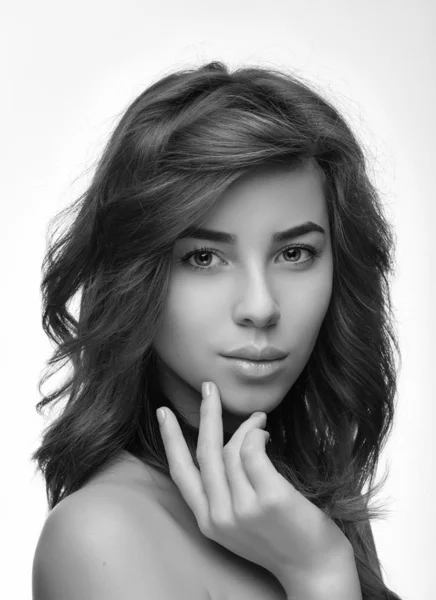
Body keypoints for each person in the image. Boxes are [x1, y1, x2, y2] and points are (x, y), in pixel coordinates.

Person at [31, 61, 403, 599]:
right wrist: (318, 573)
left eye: (295, 253)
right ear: (137, 274)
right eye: (204, 257)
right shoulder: (103, 537)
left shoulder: (294, 498)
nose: (260, 306)